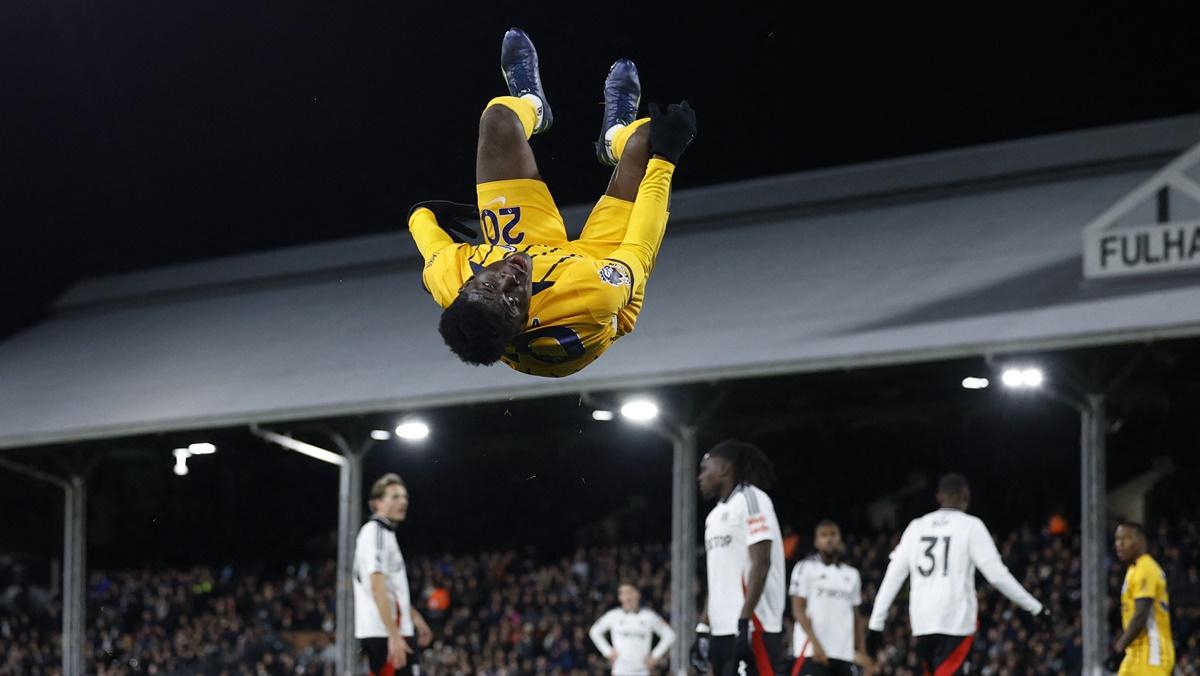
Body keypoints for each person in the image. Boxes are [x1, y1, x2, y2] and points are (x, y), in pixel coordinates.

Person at [408, 27, 697, 377]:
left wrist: (420, 213)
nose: (508, 280)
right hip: (597, 265)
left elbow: (428, 242)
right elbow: (642, 245)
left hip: (523, 245)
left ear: (465, 287)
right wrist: (666, 157)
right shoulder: (594, 296)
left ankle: (532, 103)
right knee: (649, 139)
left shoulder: (449, 277)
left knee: (498, 118)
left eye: (488, 285)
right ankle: (615, 136)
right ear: (522, 324)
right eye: (512, 302)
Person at [866, 473, 1048, 675]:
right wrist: (1036, 608)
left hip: (922, 623)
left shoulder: (916, 527)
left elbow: (894, 576)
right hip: (956, 622)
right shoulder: (971, 526)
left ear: (938, 497)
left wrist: (876, 623)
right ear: (966, 496)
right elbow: (997, 576)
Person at [699, 440, 786, 675]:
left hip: (753, 626)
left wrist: (744, 621)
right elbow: (719, 576)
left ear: (724, 469)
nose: (700, 477)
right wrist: (703, 625)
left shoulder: (751, 499)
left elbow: (762, 561)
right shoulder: (714, 516)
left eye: (705, 469)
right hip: (721, 629)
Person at [353, 473, 433, 675]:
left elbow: (391, 590)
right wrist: (394, 636)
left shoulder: (386, 534)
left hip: (394, 629)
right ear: (377, 503)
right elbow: (377, 586)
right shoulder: (376, 533)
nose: (402, 502)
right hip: (385, 632)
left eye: (404, 497)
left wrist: (414, 617)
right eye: (395, 496)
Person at [789, 521, 872, 676]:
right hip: (811, 653)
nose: (829, 539)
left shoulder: (852, 574)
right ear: (816, 541)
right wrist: (815, 644)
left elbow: (856, 616)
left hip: (843, 654)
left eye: (833, 534)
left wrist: (862, 652)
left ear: (840, 539)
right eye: (824, 535)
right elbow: (798, 609)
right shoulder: (805, 568)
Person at [1105, 521, 1175, 674]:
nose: (1119, 544)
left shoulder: (1146, 568)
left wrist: (1118, 648)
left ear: (1141, 540)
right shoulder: (1133, 570)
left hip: (1151, 652)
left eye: (1125, 539)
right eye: (1117, 539)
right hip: (1136, 652)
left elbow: (1140, 616)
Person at [589, 580, 676, 674]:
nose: (627, 597)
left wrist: (655, 656)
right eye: (623, 593)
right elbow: (594, 631)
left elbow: (670, 635)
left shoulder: (649, 616)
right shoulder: (613, 615)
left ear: (637, 594)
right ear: (620, 597)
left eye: (629, 592)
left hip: (642, 671)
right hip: (620, 670)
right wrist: (608, 652)